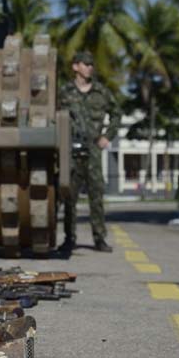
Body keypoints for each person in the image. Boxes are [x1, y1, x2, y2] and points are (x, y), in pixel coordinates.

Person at [58, 51, 122, 253]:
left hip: (94, 149)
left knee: (96, 195)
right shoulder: (64, 92)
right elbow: (53, 115)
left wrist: (107, 136)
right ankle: (69, 238)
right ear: (75, 66)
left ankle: (99, 238)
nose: (90, 67)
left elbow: (116, 114)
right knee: (70, 197)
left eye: (91, 64)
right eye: (86, 64)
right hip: (71, 149)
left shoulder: (101, 92)